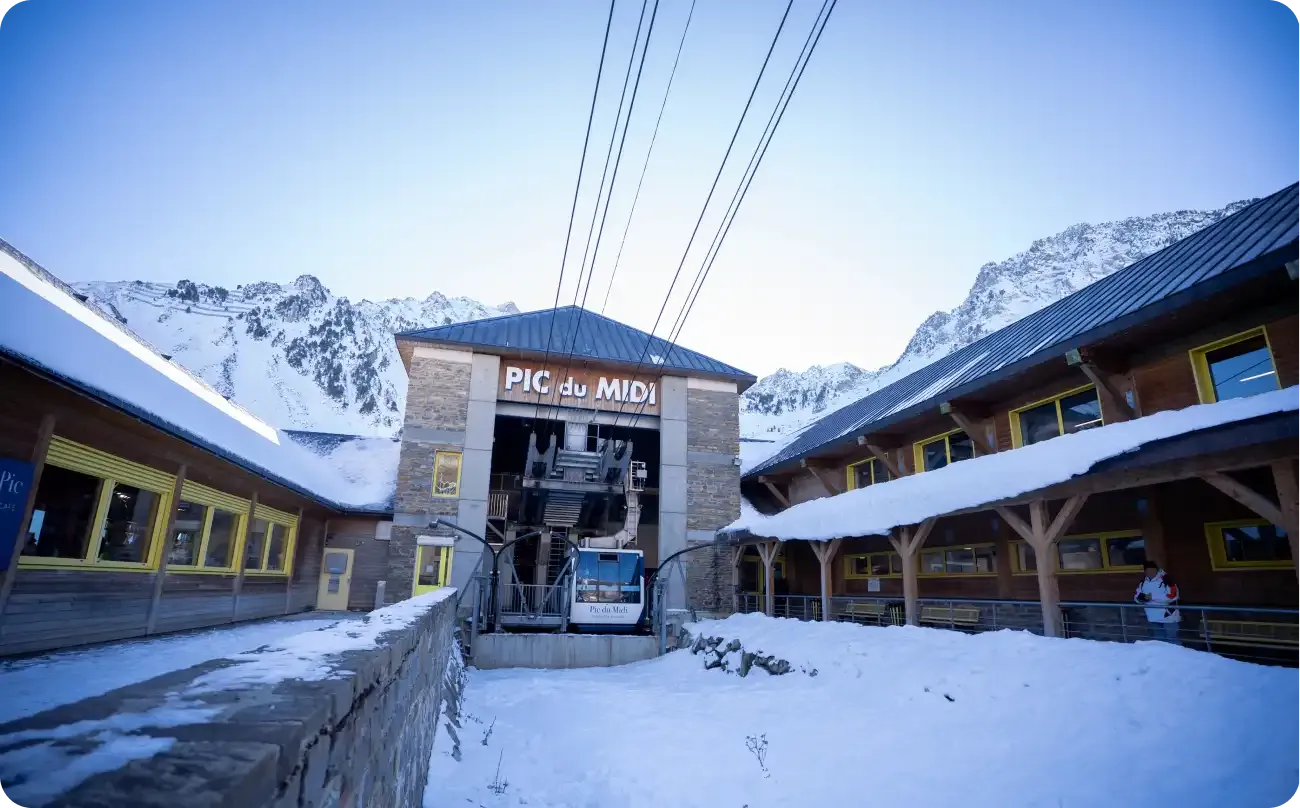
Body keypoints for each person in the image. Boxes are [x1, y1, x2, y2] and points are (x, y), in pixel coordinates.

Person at [1134, 561, 1181, 644]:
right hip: (1152, 615)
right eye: (1148, 570)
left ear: (1156, 570)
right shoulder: (1143, 582)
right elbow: (1137, 598)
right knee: (1159, 640)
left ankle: (1177, 656)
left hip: (1168, 615)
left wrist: (1151, 598)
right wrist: (1148, 598)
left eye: (1152, 570)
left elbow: (1172, 596)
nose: (1150, 572)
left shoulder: (1167, 580)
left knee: (1173, 639)